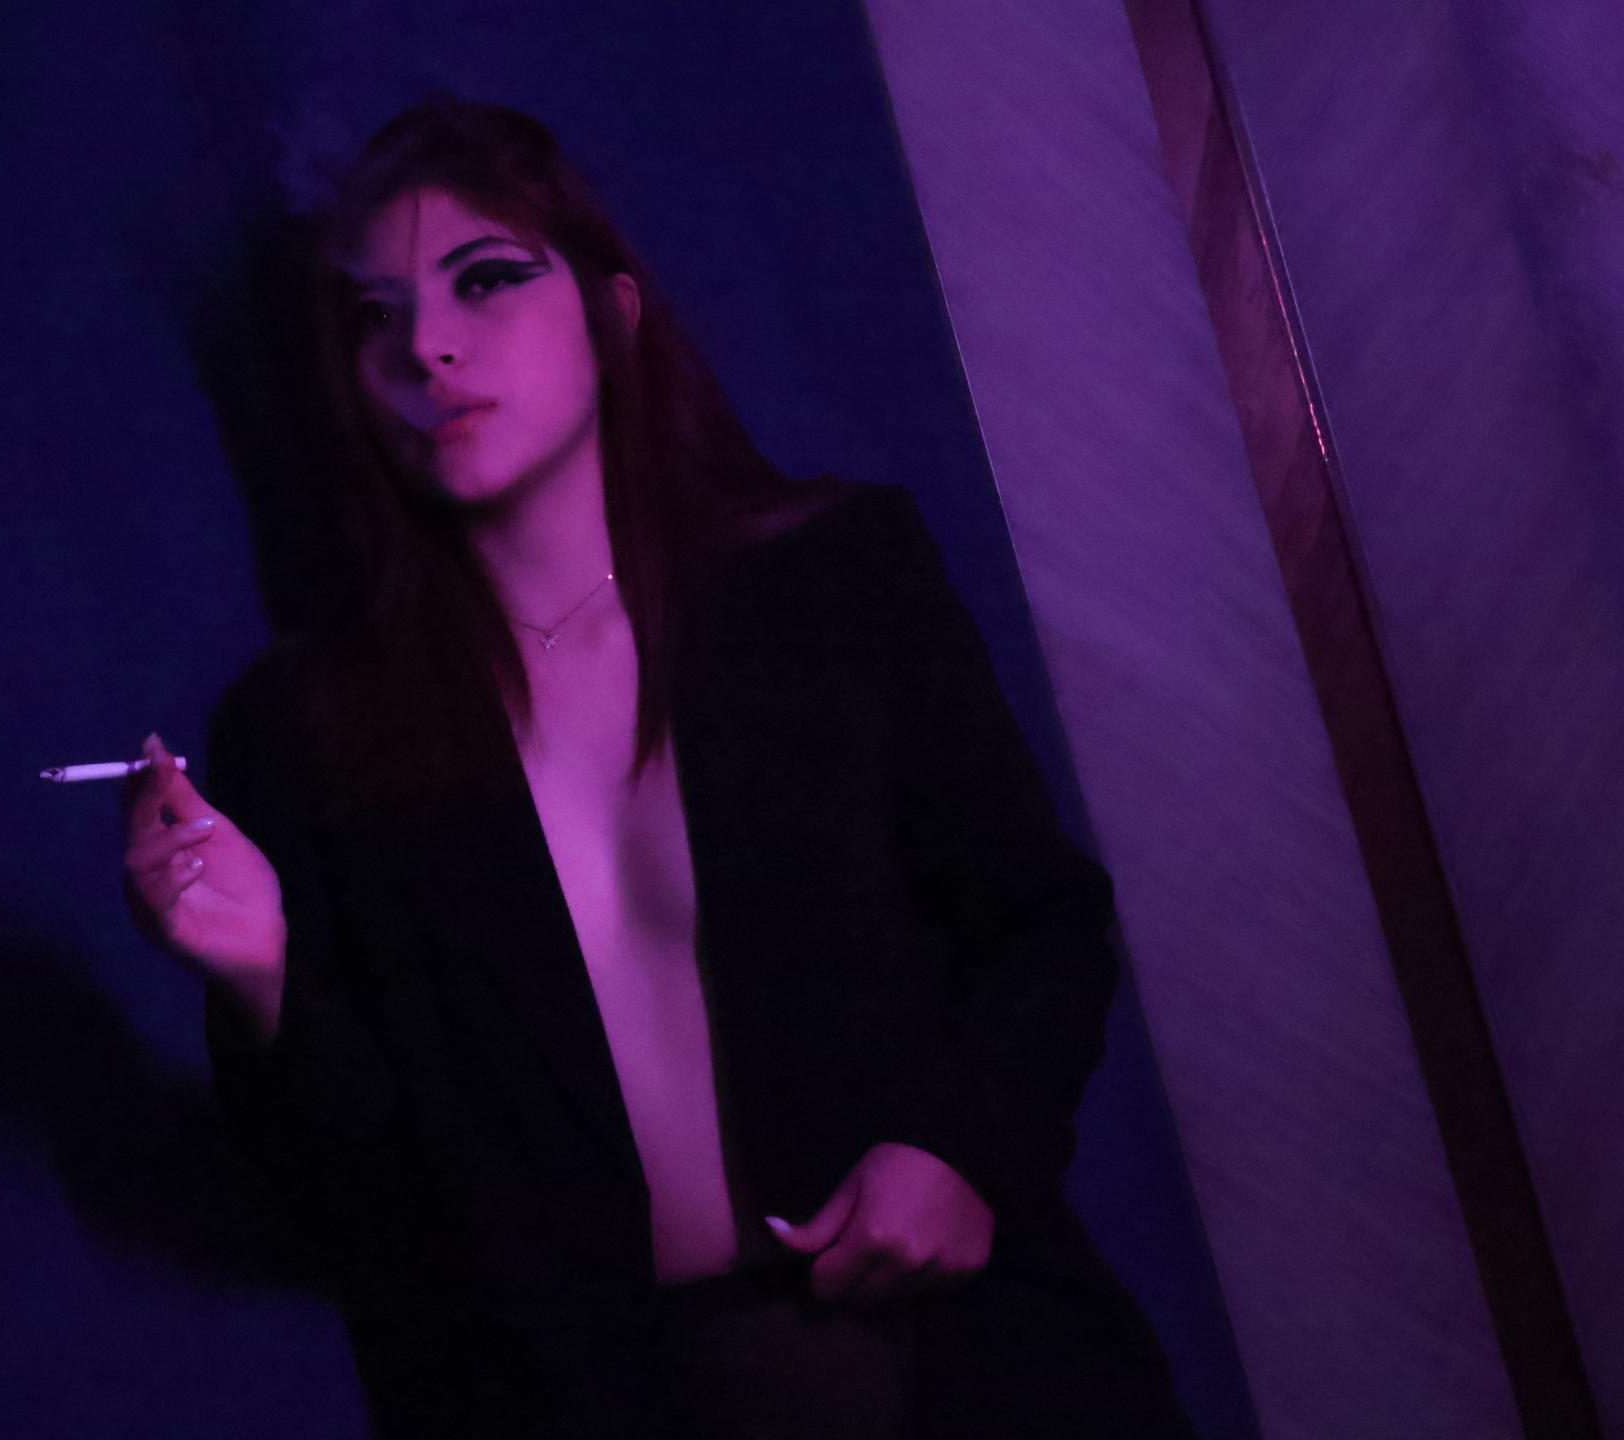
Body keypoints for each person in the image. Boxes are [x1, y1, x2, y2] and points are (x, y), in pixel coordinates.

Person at [124, 96, 1194, 1438]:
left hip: (963, 1367)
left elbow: (1042, 925)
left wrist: (964, 1150)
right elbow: (371, 1206)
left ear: (613, 313)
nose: (426, 345)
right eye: (372, 316)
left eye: (485, 279)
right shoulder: (311, 727)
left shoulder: (833, 585)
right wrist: (260, 976)